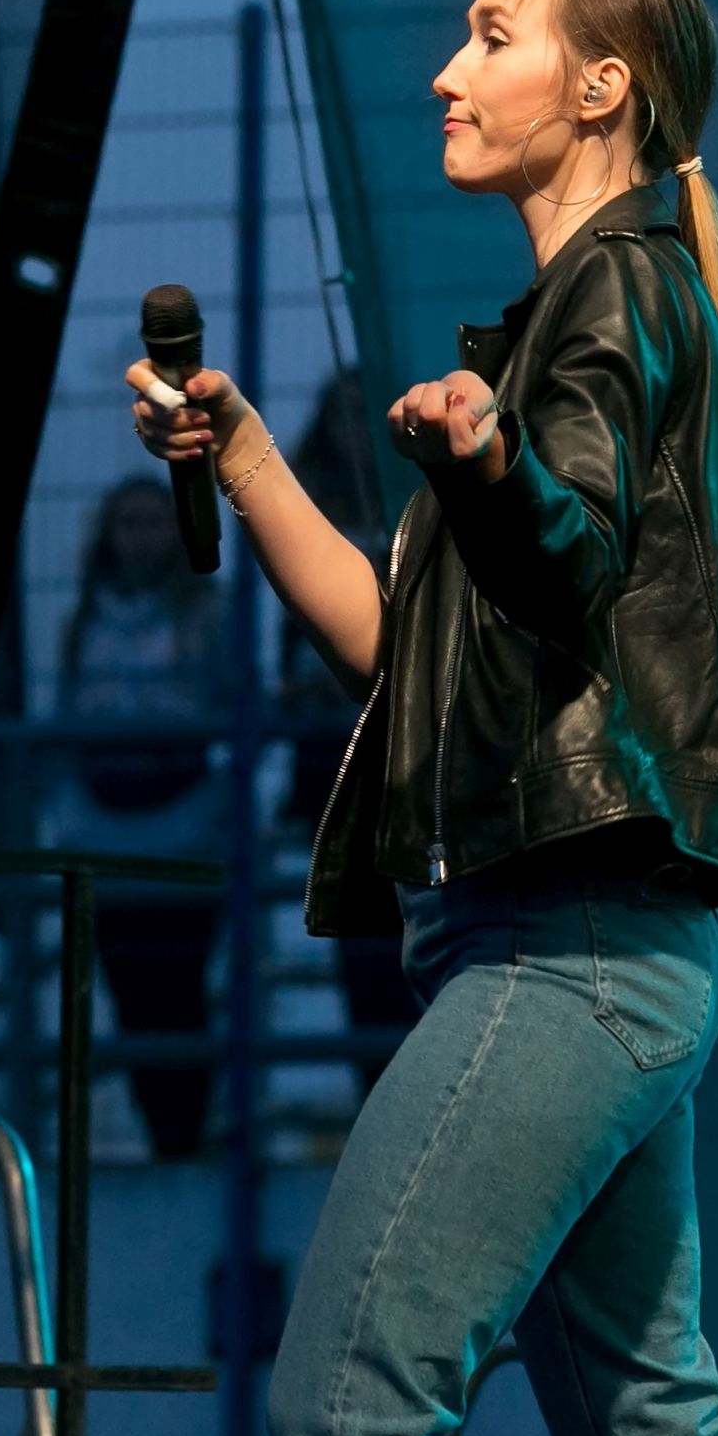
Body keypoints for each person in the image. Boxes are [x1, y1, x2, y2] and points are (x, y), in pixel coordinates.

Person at [127, 0, 718, 1436]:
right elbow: (403, 656)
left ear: (598, 88)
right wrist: (244, 456)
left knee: (346, 1405)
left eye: (494, 37)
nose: (448, 72)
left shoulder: (614, 288)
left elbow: (562, 555)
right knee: (652, 1417)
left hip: (563, 946)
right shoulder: (597, 306)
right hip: (592, 945)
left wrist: (492, 466)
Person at [56, 473, 232, 1158]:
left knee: (180, 988)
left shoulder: (207, 614)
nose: (140, 538)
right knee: (129, 994)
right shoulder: (82, 622)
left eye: (154, 522)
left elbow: (231, 705)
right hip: (104, 829)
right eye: (127, 523)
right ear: (107, 535)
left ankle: (185, 1134)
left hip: (184, 824)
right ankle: (164, 1134)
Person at [275, 368, 417, 1099]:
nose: (357, 433)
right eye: (344, 417)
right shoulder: (306, 509)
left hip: (411, 735)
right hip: (332, 740)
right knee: (360, 933)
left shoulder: (419, 501)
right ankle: (376, 1089)